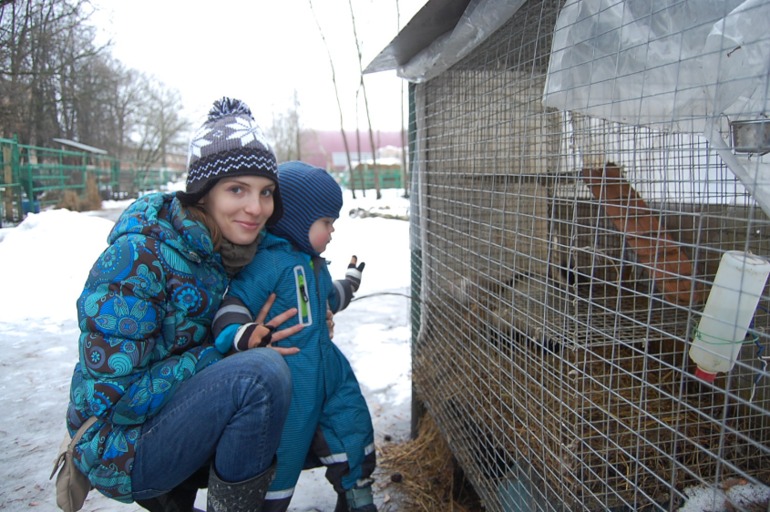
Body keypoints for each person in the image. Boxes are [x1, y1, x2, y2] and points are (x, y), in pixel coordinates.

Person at [64, 97, 304, 512]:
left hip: (171, 418)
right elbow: (114, 397)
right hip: (118, 445)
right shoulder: (136, 259)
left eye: (266, 192)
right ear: (202, 194)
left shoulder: (230, 252)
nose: (256, 208)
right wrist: (228, 351)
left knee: (296, 377)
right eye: (237, 189)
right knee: (260, 375)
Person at [212, 161, 376, 512]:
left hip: (330, 372)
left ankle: (357, 492)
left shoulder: (315, 266)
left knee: (353, 423)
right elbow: (235, 303)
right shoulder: (268, 265)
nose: (332, 231)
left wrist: (350, 282)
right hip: (291, 376)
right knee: (283, 450)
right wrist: (242, 333)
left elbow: (331, 296)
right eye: (326, 222)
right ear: (299, 220)